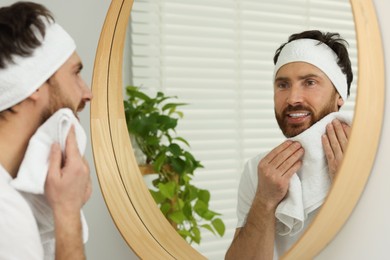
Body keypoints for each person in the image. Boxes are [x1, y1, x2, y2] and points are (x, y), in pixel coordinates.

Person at [225, 30, 353, 259]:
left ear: (339, 94)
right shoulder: (260, 171)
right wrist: (264, 200)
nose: (293, 98)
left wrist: (348, 189)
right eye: (283, 85)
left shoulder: (374, 158)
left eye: (310, 82)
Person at [0, 2, 92, 260]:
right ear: (34, 84)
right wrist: (67, 211)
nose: (87, 93)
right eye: (75, 74)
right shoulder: (6, 215)